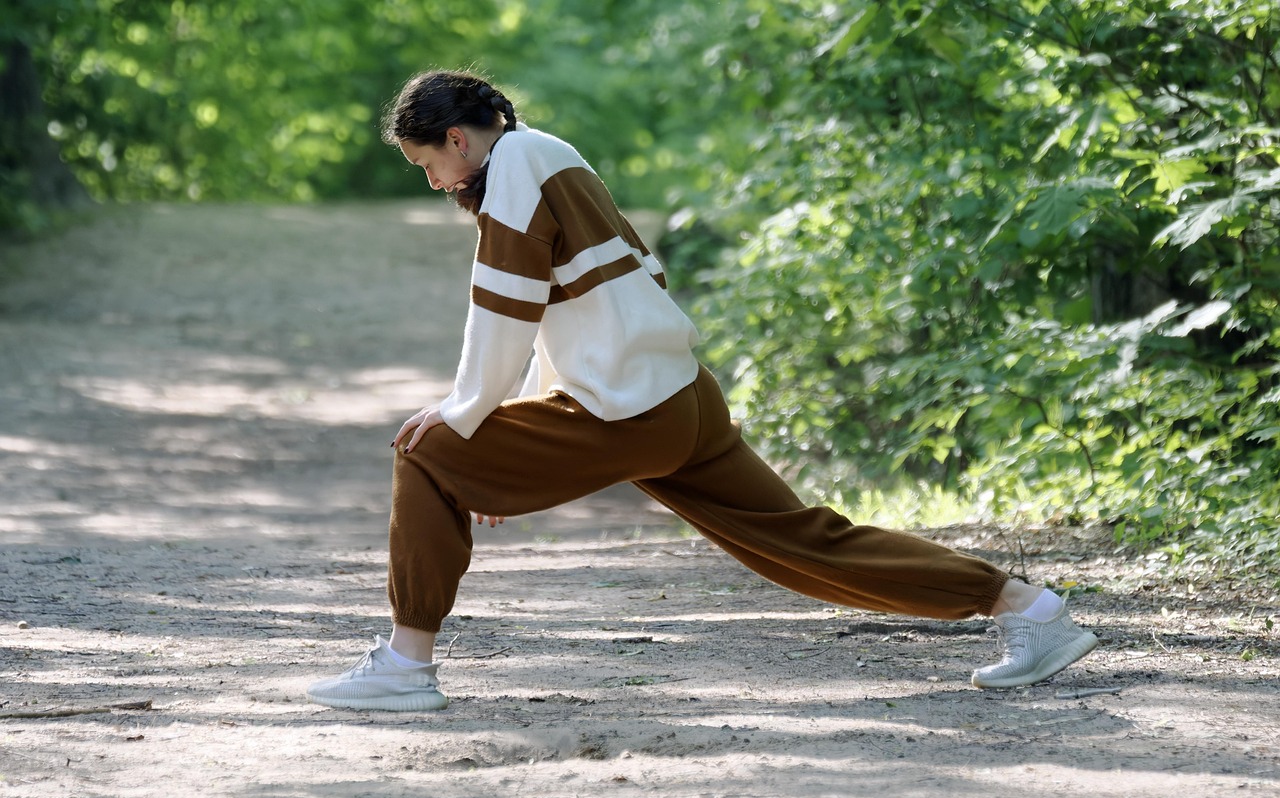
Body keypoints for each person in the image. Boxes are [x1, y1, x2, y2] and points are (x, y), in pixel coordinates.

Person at [305, 70, 1098, 712]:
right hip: (677, 396)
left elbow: (505, 306)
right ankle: (1027, 609)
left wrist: (466, 416)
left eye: (428, 165)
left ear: (454, 137)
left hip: (630, 409)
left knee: (426, 451)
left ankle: (407, 665)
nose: (436, 182)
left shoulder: (511, 168)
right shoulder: (553, 154)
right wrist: (505, 429)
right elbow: (596, 297)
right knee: (803, 544)